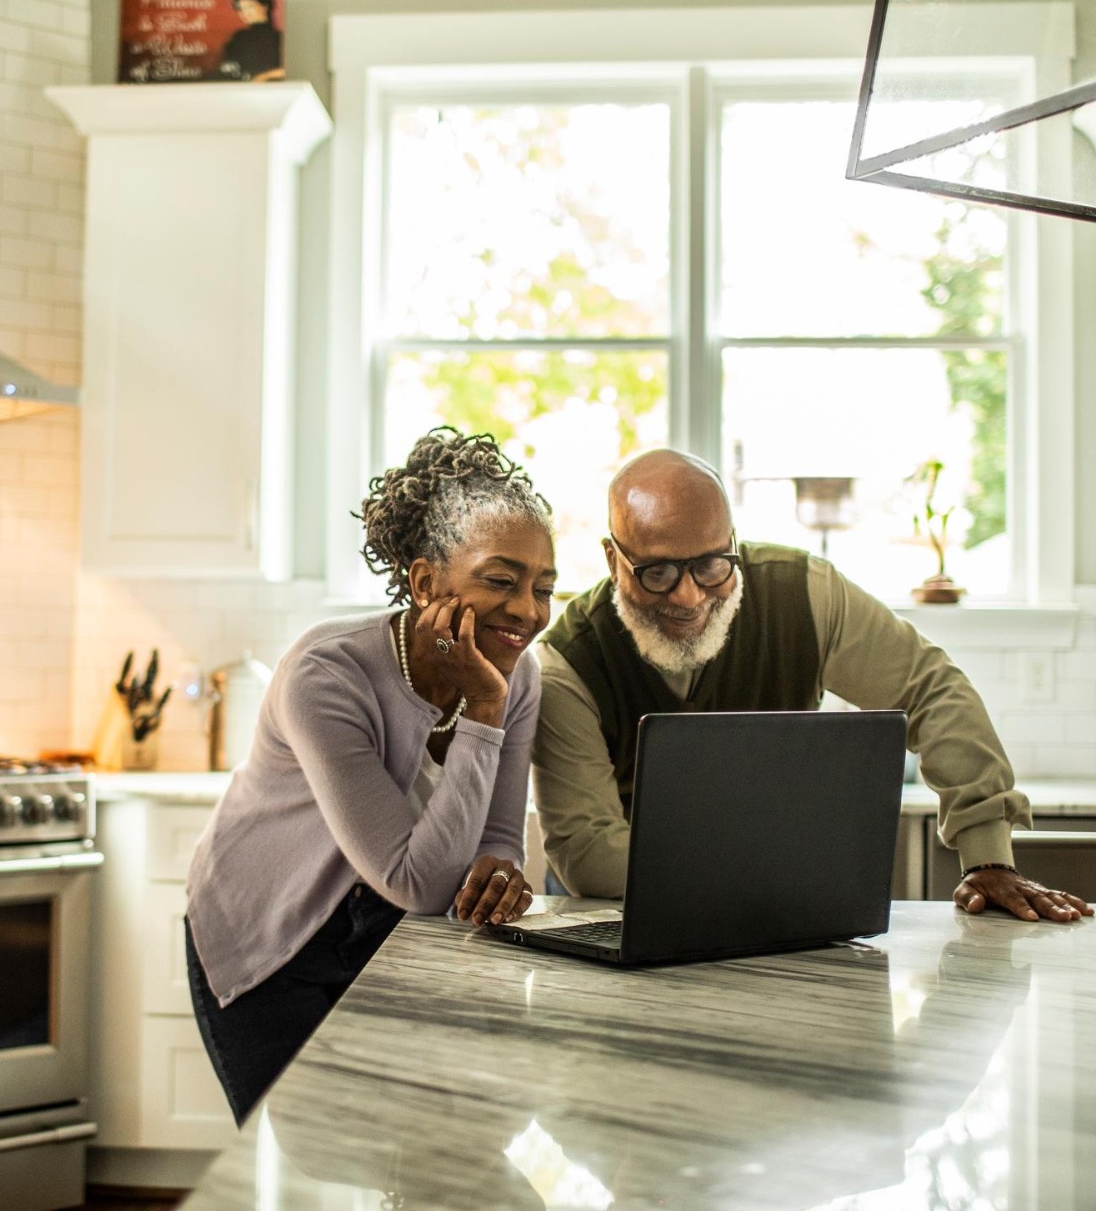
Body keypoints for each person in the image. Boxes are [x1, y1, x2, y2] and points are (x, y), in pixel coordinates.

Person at [533, 447, 1092, 924]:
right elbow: (588, 853)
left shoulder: (806, 595)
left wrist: (987, 855)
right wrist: (789, 866)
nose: (690, 597)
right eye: (657, 572)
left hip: (779, 909)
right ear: (613, 559)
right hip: (616, 916)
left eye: (712, 565)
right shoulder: (566, 664)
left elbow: (930, 689)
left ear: (734, 540)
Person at [186, 428, 556, 1123]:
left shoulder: (518, 676)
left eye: (544, 587)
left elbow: (497, 840)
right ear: (424, 582)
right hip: (269, 938)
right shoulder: (325, 676)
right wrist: (481, 710)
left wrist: (501, 872)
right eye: (502, 581)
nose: (529, 612)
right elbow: (417, 882)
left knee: (410, 1152)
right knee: (302, 1170)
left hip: (387, 938)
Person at [215, 0, 284, 82]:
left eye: (250, 7)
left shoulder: (279, 37)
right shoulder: (238, 37)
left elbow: (285, 69)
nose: (245, 13)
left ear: (265, 6)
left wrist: (264, 76)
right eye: (241, 9)